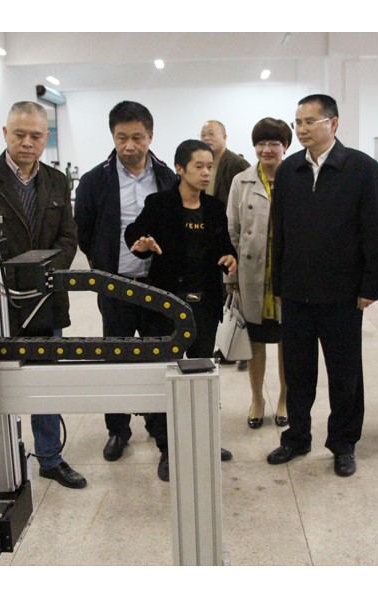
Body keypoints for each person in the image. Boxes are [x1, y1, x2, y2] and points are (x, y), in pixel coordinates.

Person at [0, 101, 86, 490]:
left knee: (45, 380)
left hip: (47, 295)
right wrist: (16, 275)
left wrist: (40, 272)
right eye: (19, 134)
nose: (27, 142)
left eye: (35, 135)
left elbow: (68, 238)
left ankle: (50, 458)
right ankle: (4, 460)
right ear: (5, 133)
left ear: (46, 138)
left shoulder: (57, 181)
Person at [265, 94, 378, 477]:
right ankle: (297, 437)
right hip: (297, 293)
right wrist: (278, 283)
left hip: (343, 295)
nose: (301, 129)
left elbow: (375, 230)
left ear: (333, 123)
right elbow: (279, 232)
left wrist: (370, 285)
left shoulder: (361, 168)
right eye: (298, 122)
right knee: (298, 372)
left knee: (345, 374)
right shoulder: (289, 171)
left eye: (309, 121)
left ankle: (343, 443)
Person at [125, 139, 237, 481]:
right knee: (168, 376)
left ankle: (203, 439)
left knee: (201, 376)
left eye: (209, 167)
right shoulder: (159, 204)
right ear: (180, 168)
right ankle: (167, 447)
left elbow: (224, 246)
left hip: (204, 305)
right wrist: (142, 244)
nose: (205, 173)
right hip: (168, 307)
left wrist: (229, 256)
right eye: (198, 166)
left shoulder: (214, 207)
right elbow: (135, 233)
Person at [74, 100, 177, 467]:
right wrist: (103, 267)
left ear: (150, 136)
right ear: (113, 137)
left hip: (157, 287)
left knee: (159, 361)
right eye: (122, 138)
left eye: (137, 137)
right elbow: (84, 233)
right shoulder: (94, 181)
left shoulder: (168, 178)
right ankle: (117, 429)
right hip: (115, 287)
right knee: (115, 359)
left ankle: (162, 435)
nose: (129, 146)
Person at [225, 118, 292, 429]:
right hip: (252, 274)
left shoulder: (296, 178)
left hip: (287, 274)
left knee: (288, 342)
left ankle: (284, 398)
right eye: (261, 143)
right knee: (255, 341)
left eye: (274, 143)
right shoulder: (241, 181)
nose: (267, 150)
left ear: (285, 146)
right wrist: (230, 277)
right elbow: (232, 230)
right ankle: (256, 398)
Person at [201, 119, 251, 371]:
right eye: (203, 134)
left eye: (211, 133)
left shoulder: (236, 163)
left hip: (232, 238)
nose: (206, 138)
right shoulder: (204, 163)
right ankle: (227, 346)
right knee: (222, 298)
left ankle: (244, 353)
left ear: (225, 136)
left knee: (238, 298)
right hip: (211, 240)